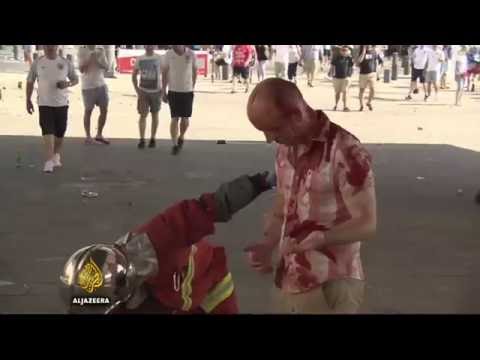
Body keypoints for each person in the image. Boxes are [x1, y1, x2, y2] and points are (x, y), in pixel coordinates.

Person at [244, 78, 377, 314]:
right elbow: (283, 204)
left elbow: (367, 224)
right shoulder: (285, 148)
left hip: (332, 281)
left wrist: (322, 238)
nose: (268, 139)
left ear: (296, 116)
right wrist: (268, 244)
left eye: (274, 130)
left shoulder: (345, 150)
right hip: (289, 278)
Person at [59, 171, 275, 314]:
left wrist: (259, 183)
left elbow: (212, 205)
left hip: (211, 291)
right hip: (170, 300)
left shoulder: (160, 236)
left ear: (125, 290)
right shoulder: (95, 294)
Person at [26, 45, 79, 173]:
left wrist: (67, 84)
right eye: (47, 45)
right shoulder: (38, 63)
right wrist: (28, 100)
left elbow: (75, 79)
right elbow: (30, 81)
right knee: (47, 131)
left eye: (53, 45)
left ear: (57, 47)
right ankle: (49, 161)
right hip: (44, 103)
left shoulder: (65, 63)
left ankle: (56, 155)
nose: (50, 47)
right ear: (43, 47)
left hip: (61, 103)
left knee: (60, 133)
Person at [162, 45, 197, 155]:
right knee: (174, 118)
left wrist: (192, 86)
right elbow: (164, 73)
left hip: (187, 91)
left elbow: (195, 71)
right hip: (173, 91)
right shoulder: (168, 54)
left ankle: (181, 136)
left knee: (185, 119)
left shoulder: (191, 54)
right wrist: (163, 91)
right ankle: (174, 144)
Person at [132, 45, 163, 149]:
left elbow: (166, 74)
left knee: (155, 114)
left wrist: (163, 90)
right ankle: (142, 139)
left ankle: (153, 138)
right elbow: (134, 75)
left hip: (156, 91)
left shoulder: (159, 58)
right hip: (143, 92)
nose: (149, 47)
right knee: (143, 115)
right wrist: (137, 89)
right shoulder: (140, 59)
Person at [78, 45, 110, 145]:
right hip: (88, 86)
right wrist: (90, 58)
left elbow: (106, 67)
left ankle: (99, 134)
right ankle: (88, 136)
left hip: (101, 85)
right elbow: (81, 69)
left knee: (104, 110)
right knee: (88, 111)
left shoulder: (100, 49)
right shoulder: (82, 50)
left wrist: (98, 59)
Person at [330, 45, 354, 111]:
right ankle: (336, 105)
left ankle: (345, 106)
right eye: (343, 50)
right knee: (337, 93)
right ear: (340, 51)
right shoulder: (336, 57)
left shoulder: (349, 58)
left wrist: (350, 75)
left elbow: (353, 65)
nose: (344, 52)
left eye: (345, 50)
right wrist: (332, 75)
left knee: (345, 91)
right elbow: (332, 66)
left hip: (346, 78)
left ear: (348, 51)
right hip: (337, 78)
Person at [356, 45, 379, 111]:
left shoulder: (374, 52)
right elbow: (359, 61)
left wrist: (377, 73)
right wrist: (363, 52)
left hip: (372, 73)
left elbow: (376, 62)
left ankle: (369, 102)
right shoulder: (361, 52)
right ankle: (361, 105)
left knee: (373, 89)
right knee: (362, 90)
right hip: (363, 74)